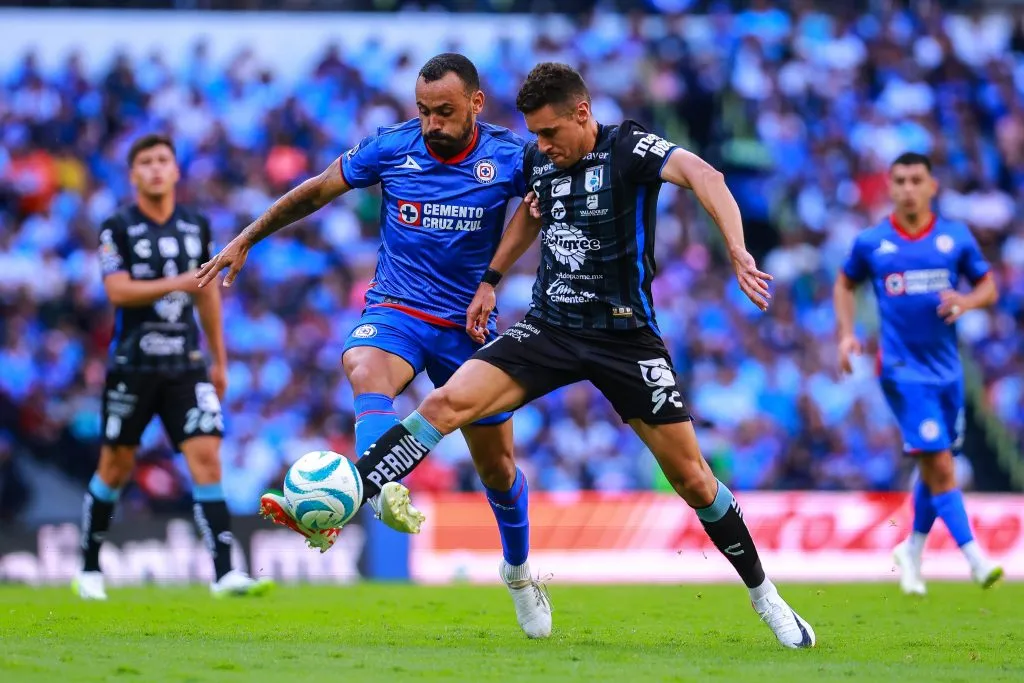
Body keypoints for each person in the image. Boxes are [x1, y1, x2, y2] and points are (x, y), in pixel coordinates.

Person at [347, 63, 816, 648]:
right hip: (550, 329)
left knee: (694, 480)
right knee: (445, 404)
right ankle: (356, 491)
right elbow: (529, 216)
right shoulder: (544, 162)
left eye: (549, 134)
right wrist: (492, 277)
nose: (539, 149)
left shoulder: (630, 149)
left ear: (582, 114)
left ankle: (765, 596)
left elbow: (705, 174)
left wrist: (738, 251)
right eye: (534, 136)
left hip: (625, 338)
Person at [196, 54, 550, 637]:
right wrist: (247, 237)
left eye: (445, 111)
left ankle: (517, 572)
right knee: (364, 366)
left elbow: (537, 210)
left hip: (469, 325)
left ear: (476, 105)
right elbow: (315, 192)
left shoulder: (511, 155)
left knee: (498, 468)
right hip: (397, 310)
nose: (433, 123)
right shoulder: (392, 147)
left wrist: (493, 280)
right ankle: (381, 484)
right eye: (424, 111)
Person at [79, 133, 273, 600]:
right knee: (115, 466)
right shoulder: (117, 227)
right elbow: (118, 292)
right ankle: (88, 567)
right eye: (145, 162)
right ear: (133, 175)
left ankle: (225, 573)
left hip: (186, 364)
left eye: (163, 160)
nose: (155, 168)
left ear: (176, 169)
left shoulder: (196, 225)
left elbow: (207, 293)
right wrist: (181, 281)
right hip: (133, 364)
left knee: (206, 458)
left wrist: (219, 361)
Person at [834, 151, 1003, 595]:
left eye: (916, 180)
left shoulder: (954, 239)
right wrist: (847, 334)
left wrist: (965, 301)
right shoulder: (872, 242)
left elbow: (988, 287)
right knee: (943, 464)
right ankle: (977, 559)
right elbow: (843, 282)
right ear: (890, 187)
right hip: (901, 370)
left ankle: (911, 549)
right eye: (900, 181)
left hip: (948, 372)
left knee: (935, 463)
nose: (908, 188)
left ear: (932, 187)